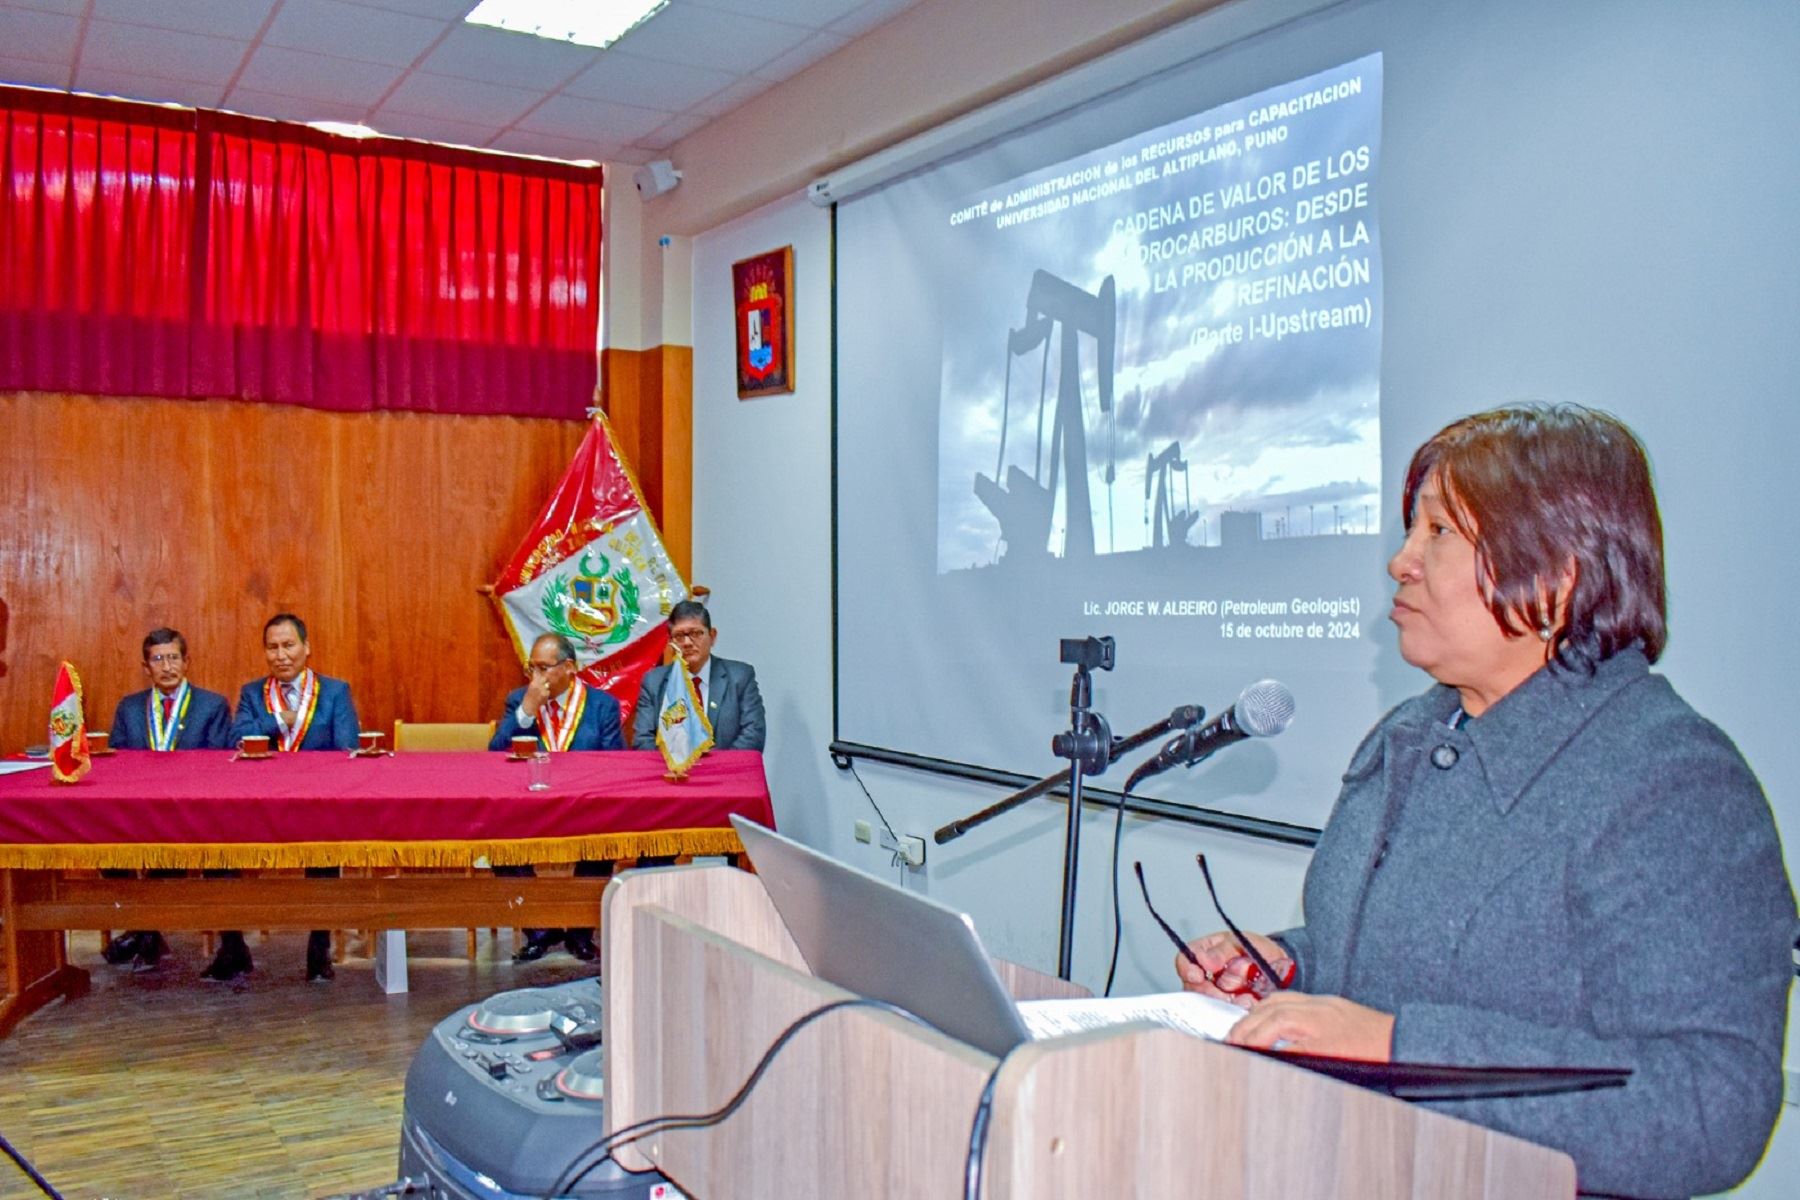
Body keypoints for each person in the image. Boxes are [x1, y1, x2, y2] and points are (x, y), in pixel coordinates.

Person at [1174, 406, 1794, 1198]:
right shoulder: (1414, 731)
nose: (1401, 562)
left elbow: (1712, 1108)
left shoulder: (1672, 783)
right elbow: (1422, 958)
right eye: (1411, 532)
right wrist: (1291, 964)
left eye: (1438, 534)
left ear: (1560, 573)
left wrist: (1400, 1046)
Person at [209, 613, 360, 983]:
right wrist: (279, 720)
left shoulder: (335, 691)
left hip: (316, 803)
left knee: (325, 849)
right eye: (273, 647)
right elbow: (236, 740)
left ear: (307, 648)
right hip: (257, 806)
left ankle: (319, 946)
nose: (281, 655)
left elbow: (347, 749)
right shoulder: (252, 693)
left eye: (289, 645)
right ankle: (233, 948)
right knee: (215, 849)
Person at [101, 627, 234, 969]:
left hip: (195, 814)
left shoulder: (212, 705)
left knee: (216, 849)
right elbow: (115, 762)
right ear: (146, 668)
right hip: (140, 815)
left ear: (186, 662)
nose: (167, 666)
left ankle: (146, 932)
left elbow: (220, 763)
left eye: (173, 657)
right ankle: (145, 930)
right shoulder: (130, 708)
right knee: (103, 847)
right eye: (158, 659)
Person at [489, 632, 624, 963]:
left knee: (601, 844)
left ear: (569, 667)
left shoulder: (602, 706)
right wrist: (526, 711)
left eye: (544, 668)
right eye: (531, 668)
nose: (536, 677)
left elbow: (617, 760)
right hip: (530, 805)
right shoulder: (519, 699)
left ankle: (580, 932)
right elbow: (494, 753)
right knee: (499, 847)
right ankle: (540, 929)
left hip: (586, 804)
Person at [631, 599, 766, 752]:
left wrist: (711, 770)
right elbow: (643, 741)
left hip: (724, 774)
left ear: (712, 636)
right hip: (671, 774)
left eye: (696, 633)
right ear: (670, 642)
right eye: (679, 636)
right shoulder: (654, 682)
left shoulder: (739, 677)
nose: (687, 642)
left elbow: (753, 734)